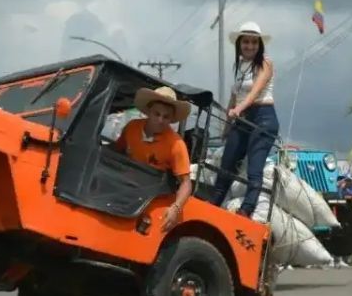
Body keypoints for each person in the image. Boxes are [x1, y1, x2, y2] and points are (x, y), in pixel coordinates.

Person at [212, 21, 279, 217]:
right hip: (242, 119)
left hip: (263, 117)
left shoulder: (266, 62)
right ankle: (214, 204)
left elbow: (254, 92)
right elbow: (234, 97)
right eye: (246, 42)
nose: (250, 46)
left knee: (254, 169)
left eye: (254, 42)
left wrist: (238, 109)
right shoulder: (240, 66)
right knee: (226, 164)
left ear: (260, 45)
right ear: (239, 43)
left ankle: (246, 210)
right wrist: (227, 126)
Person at [113, 86, 194, 233]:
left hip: (151, 199)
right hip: (124, 189)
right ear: (149, 111)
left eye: (166, 116)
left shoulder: (176, 144)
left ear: (171, 119)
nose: (160, 120)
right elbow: (116, 152)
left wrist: (176, 208)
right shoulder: (131, 128)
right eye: (157, 114)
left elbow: (186, 183)